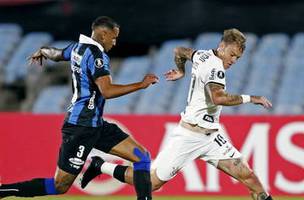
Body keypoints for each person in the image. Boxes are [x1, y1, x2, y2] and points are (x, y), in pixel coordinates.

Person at [80, 28, 274, 200]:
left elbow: (179, 51)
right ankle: (99, 166)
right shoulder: (215, 69)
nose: (233, 60)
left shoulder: (203, 55)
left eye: (237, 58)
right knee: (152, 182)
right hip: (189, 136)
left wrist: (181, 70)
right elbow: (218, 98)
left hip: (212, 137)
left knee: (248, 176)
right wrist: (252, 98)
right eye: (232, 54)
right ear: (222, 46)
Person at [0, 16, 158, 200]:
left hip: (96, 125)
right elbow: (106, 91)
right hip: (80, 128)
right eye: (114, 38)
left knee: (142, 156)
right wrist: (141, 84)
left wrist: (42, 51)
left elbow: (57, 54)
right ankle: (4, 190)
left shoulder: (77, 48)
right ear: (103, 34)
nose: (115, 43)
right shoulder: (97, 56)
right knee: (60, 186)